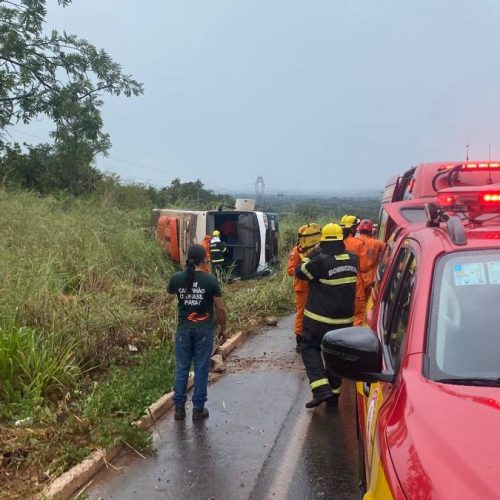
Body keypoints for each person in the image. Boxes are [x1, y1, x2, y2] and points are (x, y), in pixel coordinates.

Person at [295, 223, 358, 409]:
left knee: (310, 349)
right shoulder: (353, 259)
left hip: (317, 320)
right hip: (344, 322)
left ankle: (321, 390)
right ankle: (333, 396)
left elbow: (300, 271)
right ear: (341, 239)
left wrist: (315, 252)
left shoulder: (320, 262)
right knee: (335, 355)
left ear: (323, 241)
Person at [167, 244, 227, 421]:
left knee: (182, 368)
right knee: (201, 368)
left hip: (183, 331)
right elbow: (221, 308)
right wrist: (223, 329)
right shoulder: (210, 280)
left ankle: (179, 409)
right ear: (204, 259)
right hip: (204, 331)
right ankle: (198, 409)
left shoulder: (177, 278)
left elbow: (170, 291)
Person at [287, 223, 321, 353]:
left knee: (316, 314)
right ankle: (300, 340)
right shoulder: (297, 252)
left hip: (315, 286)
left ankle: (313, 339)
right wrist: (303, 268)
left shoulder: (317, 250)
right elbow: (290, 270)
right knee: (301, 315)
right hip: (303, 288)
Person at [340, 214, 366, 326]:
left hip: (339, 286)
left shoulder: (336, 243)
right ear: (352, 228)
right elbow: (364, 266)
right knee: (358, 316)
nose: (356, 230)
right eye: (355, 227)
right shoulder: (359, 243)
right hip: (356, 287)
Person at [357, 219, 386, 306]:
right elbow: (390, 252)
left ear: (359, 229)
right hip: (371, 280)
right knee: (369, 304)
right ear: (371, 231)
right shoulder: (378, 243)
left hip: (356, 279)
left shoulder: (354, 241)